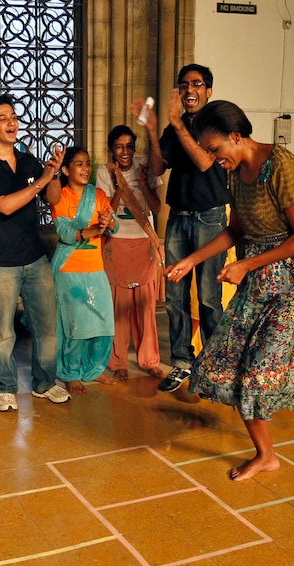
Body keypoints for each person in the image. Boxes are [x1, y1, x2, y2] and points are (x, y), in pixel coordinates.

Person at [165, 101, 294, 482]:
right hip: (259, 274)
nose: (210, 158)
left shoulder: (283, 167)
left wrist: (245, 265)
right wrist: (192, 260)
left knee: (258, 371)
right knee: (223, 362)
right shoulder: (234, 172)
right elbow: (235, 231)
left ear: (237, 136)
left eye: (214, 149)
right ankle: (267, 456)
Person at [0, 94, 70, 412]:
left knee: (47, 327)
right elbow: (5, 205)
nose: (11, 122)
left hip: (35, 257)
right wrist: (41, 180)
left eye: (13, 116)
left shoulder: (28, 161)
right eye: (2, 118)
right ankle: (5, 387)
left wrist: (53, 173)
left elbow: (52, 197)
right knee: (1, 332)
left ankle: (45, 384)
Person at [134, 64, 229, 393]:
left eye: (197, 84)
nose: (190, 89)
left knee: (209, 300)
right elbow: (158, 168)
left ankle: (216, 371)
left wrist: (176, 123)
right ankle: (183, 364)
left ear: (208, 91)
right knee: (174, 298)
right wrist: (152, 129)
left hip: (210, 220)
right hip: (178, 218)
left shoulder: (217, 120)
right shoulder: (176, 127)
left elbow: (205, 162)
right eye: (184, 84)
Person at [95, 126, 165, 381]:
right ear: (111, 149)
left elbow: (156, 207)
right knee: (119, 305)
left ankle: (149, 360)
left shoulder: (145, 166)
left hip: (143, 241)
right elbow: (106, 213)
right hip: (117, 242)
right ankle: (118, 361)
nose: (125, 152)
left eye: (129, 146)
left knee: (145, 305)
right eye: (119, 147)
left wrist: (146, 182)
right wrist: (119, 186)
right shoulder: (104, 171)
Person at [49, 146, 118, 394]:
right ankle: (70, 373)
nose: (86, 168)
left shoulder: (97, 194)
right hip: (69, 269)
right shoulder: (61, 197)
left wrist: (107, 222)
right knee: (74, 326)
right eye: (79, 164)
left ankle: (94, 370)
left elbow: (114, 225)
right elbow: (64, 232)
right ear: (66, 169)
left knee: (103, 323)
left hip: (95, 267)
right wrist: (90, 232)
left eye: (87, 163)